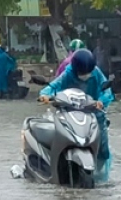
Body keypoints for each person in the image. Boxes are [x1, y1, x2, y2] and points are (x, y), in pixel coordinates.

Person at [38, 49, 114, 181]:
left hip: (94, 114)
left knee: (103, 149)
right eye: (82, 73)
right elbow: (53, 86)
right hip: (70, 113)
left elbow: (106, 91)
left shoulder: (96, 73)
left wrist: (101, 102)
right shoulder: (67, 74)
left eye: (88, 72)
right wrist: (45, 95)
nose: (85, 75)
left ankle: (101, 175)